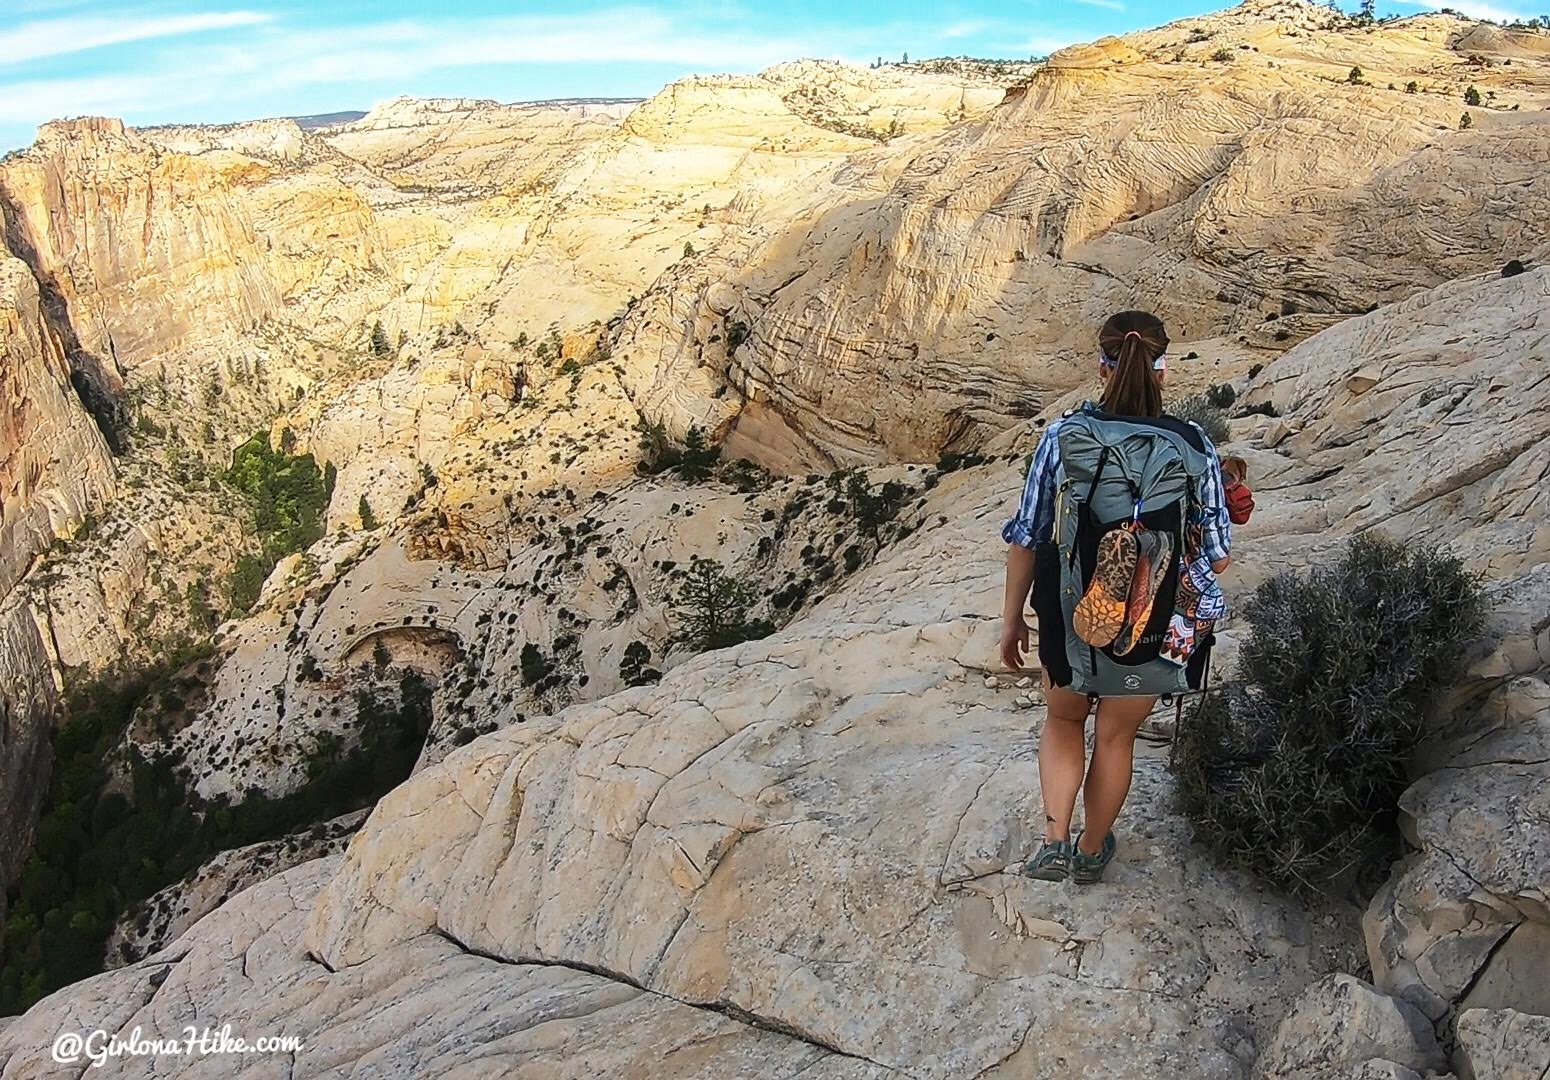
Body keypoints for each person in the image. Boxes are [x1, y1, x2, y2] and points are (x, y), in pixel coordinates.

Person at [998, 311, 1233, 884]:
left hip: (1068, 610)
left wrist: (1011, 622)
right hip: (1153, 617)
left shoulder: (1061, 436)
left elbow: (1027, 538)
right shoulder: (1193, 443)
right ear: (1163, 371)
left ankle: (1053, 842)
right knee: (1116, 736)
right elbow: (1218, 553)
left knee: (1062, 722)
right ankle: (1092, 850)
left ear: (1101, 367)